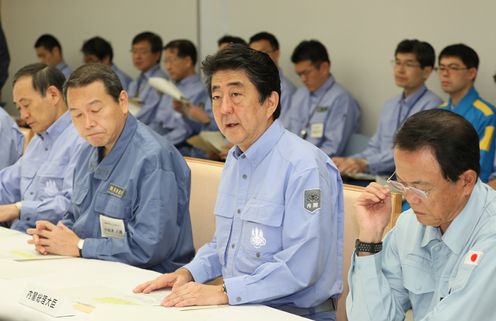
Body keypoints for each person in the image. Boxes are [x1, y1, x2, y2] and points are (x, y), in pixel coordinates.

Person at [134, 45, 344, 321]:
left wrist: (223, 293)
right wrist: (189, 272)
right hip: (241, 306)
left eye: (236, 95)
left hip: (294, 314)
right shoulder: (236, 158)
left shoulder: (305, 166)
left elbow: (301, 266)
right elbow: (225, 244)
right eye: (216, 96)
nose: (224, 109)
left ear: (270, 102)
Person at [27, 64, 195, 273]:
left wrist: (80, 246)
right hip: (94, 267)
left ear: (123, 102)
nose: (88, 123)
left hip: (148, 278)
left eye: (96, 110)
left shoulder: (153, 158)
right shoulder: (88, 151)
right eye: (77, 115)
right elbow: (75, 216)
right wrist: (55, 235)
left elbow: (149, 248)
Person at [347, 109, 496, 320]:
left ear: (466, 182)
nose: (409, 198)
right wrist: (369, 242)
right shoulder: (411, 224)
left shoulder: (491, 238)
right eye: (402, 183)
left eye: (420, 188)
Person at [333, 39, 442, 179]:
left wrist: (365, 163)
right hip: (377, 178)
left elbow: (411, 152)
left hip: (408, 183)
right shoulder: (390, 105)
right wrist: (348, 161)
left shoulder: (433, 107)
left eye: (408, 64)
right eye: (397, 62)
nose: (400, 69)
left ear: (426, 71)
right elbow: (374, 147)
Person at [0, 63, 84, 231]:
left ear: (53, 95)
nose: (23, 116)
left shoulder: (82, 139)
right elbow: (7, 185)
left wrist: (19, 209)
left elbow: (73, 205)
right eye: (19, 108)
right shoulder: (37, 141)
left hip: (51, 243)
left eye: (27, 105)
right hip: (20, 238)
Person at [283, 40, 361, 157]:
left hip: (316, 166)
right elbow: (285, 131)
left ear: (324, 67)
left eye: (306, 73)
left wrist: (300, 160)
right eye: (299, 74)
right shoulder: (300, 94)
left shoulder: (341, 99)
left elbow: (333, 148)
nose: (303, 79)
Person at [438, 43, 496, 183]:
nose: (445, 73)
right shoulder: (438, 111)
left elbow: (480, 168)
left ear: (472, 73)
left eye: (453, 68)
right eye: (441, 68)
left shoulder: (487, 115)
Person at [150, 39, 216, 156]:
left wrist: (157, 144)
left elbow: (186, 130)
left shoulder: (200, 90)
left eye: (171, 61)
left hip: (178, 148)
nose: (168, 67)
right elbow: (157, 121)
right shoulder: (169, 87)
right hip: (160, 141)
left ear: (187, 61)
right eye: (165, 62)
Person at [249, 31, 295, 113]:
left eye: (262, 53)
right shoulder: (249, 85)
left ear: (276, 54)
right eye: (252, 54)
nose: (256, 59)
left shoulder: (286, 90)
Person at [127, 31, 167, 122]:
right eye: (134, 51)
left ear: (157, 55)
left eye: (143, 52)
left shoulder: (160, 81)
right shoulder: (135, 82)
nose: (137, 56)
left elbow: (147, 116)